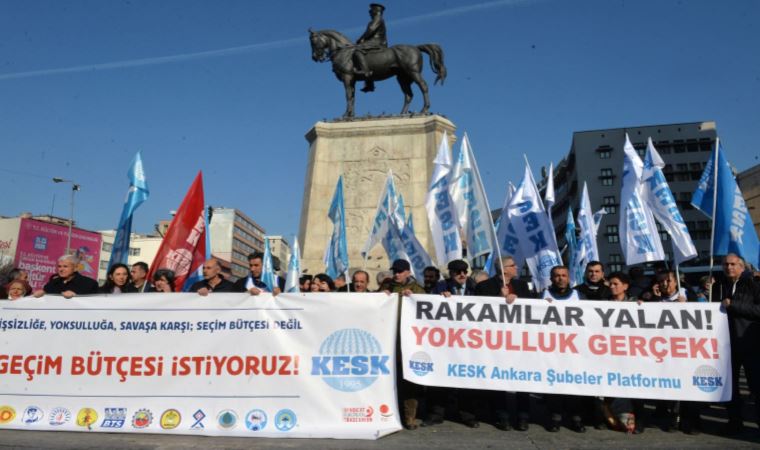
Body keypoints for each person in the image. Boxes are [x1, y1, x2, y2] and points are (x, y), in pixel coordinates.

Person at [474, 256, 534, 431]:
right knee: (498, 379)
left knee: (523, 379)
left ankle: (523, 416)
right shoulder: (484, 286)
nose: (517, 267)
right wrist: (498, 298)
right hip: (496, 341)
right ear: (503, 269)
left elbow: (533, 307)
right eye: (513, 265)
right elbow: (477, 309)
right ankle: (502, 416)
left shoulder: (522, 286)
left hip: (520, 341)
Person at [712, 254, 760, 435]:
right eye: (725, 264)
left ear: (742, 266)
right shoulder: (718, 285)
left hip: (751, 344)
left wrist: (734, 305)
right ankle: (734, 423)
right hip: (725, 346)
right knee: (730, 388)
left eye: (732, 264)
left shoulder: (754, 283)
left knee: (756, 388)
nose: (728, 267)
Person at [543, 265, 585, 432]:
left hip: (574, 350)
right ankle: (555, 417)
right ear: (551, 278)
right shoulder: (541, 296)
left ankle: (576, 417)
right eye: (557, 276)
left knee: (574, 385)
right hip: (551, 350)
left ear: (569, 278)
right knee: (554, 385)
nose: (561, 279)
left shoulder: (579, 296)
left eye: (564, 275)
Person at [353, 3, 387, 92]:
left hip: (376, 42)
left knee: (357, 50)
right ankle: (369, 84)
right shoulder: (377, 19)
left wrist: (361, 38)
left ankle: (366, 72)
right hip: (373, 41)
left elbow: (371, 30)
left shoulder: (378, 18)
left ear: (376, 11)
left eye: (371, 10)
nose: (369, 12)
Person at [33, 254, 99, 298]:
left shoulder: (89, 284)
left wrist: (76, 297)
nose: (61, 269)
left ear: (75, 268)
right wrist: (42, 293)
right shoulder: (53, 283)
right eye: (59, 266)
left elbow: (94, 304)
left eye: (65, 266)